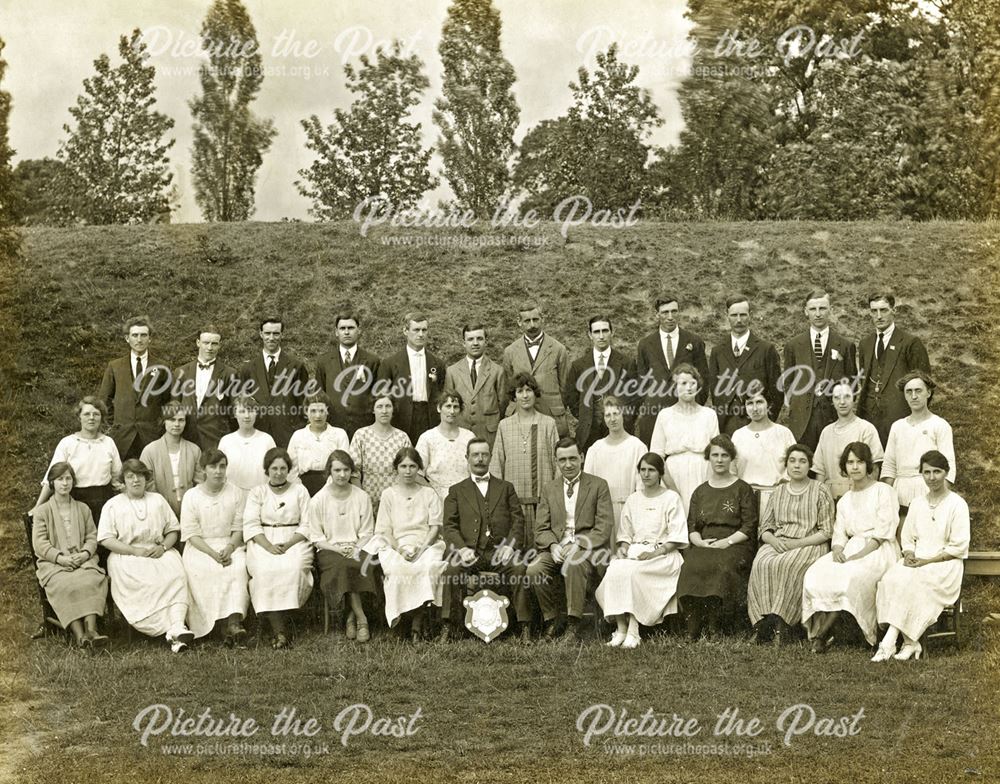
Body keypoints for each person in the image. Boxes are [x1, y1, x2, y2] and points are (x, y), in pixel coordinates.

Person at [802, 442, 900, 652]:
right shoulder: (845, 499)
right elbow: (839, 531)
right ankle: (822, 631)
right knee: (816, 572)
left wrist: (860, 555)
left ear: (868, 465)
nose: (855, 467)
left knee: (850, 577)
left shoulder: (883, 491)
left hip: (879, 549)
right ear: (844, 467)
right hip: (851, 547)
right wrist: (838, 549)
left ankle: (822, 635)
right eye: (850, 462)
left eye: (860, 462)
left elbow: (884, 531)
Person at [872, 451, 969, 662]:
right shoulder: (917, 503)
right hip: (918, 560)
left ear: (946, 473)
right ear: (921, 474)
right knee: (891, 578)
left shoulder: (957, 504)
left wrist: (928, 561)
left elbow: (959, 546)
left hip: (946, 565)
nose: (932, 477)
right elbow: (907, 538)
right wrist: (908, 554)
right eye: (927, 472)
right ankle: (910, 642)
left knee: (915, 581)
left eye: (937, 472)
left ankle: (889, 642)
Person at [97, 459, 194, 652]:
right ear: (123, 481)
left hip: (157, 551)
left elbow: (173, 530)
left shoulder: (157, 500)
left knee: (176, 574)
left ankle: (176, 625)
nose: (135, 480)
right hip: (126, 555)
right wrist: (134, 551)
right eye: (130, 477)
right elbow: (106, 539)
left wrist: (164, 548)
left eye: (140, 475)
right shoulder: (113, 505)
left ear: (146, 478)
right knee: (146, 581)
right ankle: (169, 630)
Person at [441, 439, 531, 641]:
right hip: (469, 552)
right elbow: (449, 526)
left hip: (499, 553)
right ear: (467, 458)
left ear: (490, 457)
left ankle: (524, 626)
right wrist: (462, 549)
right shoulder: (456, 491)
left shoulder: (506, 487)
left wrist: (510, 546)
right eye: (475, 455)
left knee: (518, 568)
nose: (480, 459)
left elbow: (518, 521)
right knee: (451, 571)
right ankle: (449, 625)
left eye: (484, 454)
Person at [595, 453, 687, 649]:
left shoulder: (671, 498)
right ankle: (620, 628)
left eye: (651, 470)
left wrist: (653, 554)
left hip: (663, 555)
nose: (646, 474)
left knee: (634, 573)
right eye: (643, 470)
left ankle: (634, 630)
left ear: (660, 473)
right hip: (635, 552)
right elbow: (625, 535)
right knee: (614, 568)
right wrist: (623, 549)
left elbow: (676, 537)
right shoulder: (633, 499)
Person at [746, 444, 835, 644]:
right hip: (779, 541)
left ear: (809, 465)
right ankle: (762, 624)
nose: (797, 466)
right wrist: (773, 540)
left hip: (810, 543)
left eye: (802, 461)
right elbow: (765, 527)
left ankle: (782, 626)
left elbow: (826, 531)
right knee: (761, 563)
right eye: (792, 461)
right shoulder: (778, 492)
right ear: (786, 465)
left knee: (787, 565)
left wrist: (798, 544)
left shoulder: (820, 490)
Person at [526, 438, 613, 641]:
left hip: (589, 551)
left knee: (574, 563)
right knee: (534, 569)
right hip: (557, 548)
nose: (568, 464)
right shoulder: (549, 489)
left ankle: (574, 625)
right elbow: (540, 528)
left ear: (582, 458)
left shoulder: (598, 485)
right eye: (562, 460)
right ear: (556, 462)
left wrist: (579, 544)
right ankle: (553, 620)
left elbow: (603, 527)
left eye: (573, 458)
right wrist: (553, 545)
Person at [677, 435, 758, 638]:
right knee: (691, 566)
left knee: (721, 566)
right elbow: (692, 525)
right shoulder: (700, 491)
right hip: (705, 542)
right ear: (708, 458)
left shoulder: (742, 489)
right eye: (715, 455)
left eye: (724, 455)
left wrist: (726, 542)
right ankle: (692, 626)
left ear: (731, 459)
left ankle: (715, 625)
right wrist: (701, 543)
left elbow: (749, 525)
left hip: (736, 543)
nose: (719, 460)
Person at [32, 462, 109, 648]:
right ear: (52, 483)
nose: (65, 483)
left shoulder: (83, 508)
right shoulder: (42, 512)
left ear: (73, 482)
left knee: (91, 579)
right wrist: (60, 558)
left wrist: (84, 554)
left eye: (68, 478)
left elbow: (92, 536)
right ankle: (80, 635)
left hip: (83, 560)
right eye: (60, 479)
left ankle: (92, 630)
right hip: (55, 564)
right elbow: (40, 543)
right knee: (67, 584)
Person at [242, 447, 314, 649]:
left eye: (283, 468)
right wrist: (268, 546)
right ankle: (280, 629)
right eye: (274, 468)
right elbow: (251, 524)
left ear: (289, 469)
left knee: (294, 568)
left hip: (295, 539)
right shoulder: (258, 492)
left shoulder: (300, 491)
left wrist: (289, 543)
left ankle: (286, 621)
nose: (279, 472)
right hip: (264, 540)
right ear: (267, 470)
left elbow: (308, 523)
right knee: (265, 570)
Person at [372, 448, 447, 638]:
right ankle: (401, 621)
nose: (408, 471)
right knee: (399, 570)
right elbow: (384, 529)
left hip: (426, 544)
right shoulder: (388, 494)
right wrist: (400, 550)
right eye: (403, 466)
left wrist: (422, 549)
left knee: (427, 567)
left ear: (419, 468)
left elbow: (434, 527)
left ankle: (417, 623)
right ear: (396, 468)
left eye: (412, 466)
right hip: (396, 544)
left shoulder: (429, 494)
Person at [179, 449, 249, 644]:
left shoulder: (235, 492)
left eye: (222, 466)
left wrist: (229, 548)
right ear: (203, 470)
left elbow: (239, 527)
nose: (218, 471)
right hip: (201, 547)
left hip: (230, 544)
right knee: (207, 570)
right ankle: (216, 624)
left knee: (237, 568)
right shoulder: (192, 496)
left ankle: (234, 622)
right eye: (213, 467)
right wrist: (212, 553)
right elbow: (191, 534)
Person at [307, 450, 377, 643]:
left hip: (358, 546)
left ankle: (350, 617)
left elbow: (367, 531)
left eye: (346, 470)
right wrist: (338, 549)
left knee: (363, 564)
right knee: (342, 565)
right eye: (337, 470)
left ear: (351, 471)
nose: (342, 474)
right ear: (329, 471)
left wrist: (355, 547)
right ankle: (362, 618)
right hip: (330, 549)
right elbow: (316, 537)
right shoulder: (318, 500)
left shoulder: (361, 497)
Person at [781, 290, 858, 451]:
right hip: (802, 422)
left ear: (830, 309)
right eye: (813, 309)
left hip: (833, 418)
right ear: (805, 311)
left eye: (822, 308)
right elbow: (788, 383)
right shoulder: (793, 346)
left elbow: (852, 384)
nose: (818, 314)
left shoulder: (845, 345)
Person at [489, 373, 559, 548]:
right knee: (516, 554)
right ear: (514, 395)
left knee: (542, 553)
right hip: (514, 505)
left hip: (543, 504)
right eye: (520, 391)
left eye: (529, 390)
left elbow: (557, 464)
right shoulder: (504, 426)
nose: (525, 395)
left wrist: (555, 499)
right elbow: (497, 465)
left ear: (535, 393)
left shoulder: (548, 424)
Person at [633, 295, 710, 446]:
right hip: (654, 415)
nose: (670, 317)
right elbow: (641, 381)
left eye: (674, 312)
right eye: (665, 312)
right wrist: (650, 404)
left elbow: (703, 380)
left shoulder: (694, 341)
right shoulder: (645, 344)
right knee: (655, 460)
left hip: (686, 413)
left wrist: (692, 405)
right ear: (657, 315)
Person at [858, 292, 932, 446]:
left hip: (900, 420)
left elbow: (925, 386)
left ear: (894, 311)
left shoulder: (910, 343)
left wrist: (914, 419)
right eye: (874, 311)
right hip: (870, 420)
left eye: (883, 310)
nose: (878, 316)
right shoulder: (865, 344)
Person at [35, 396, 122, 526]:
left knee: (103, 542)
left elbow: (117, 479)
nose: (91, 418)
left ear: (101, 418)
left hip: (104, 502)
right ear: (79, 417)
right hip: (74, 501)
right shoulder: (67, 443)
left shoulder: (108, 443)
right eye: (86, 414)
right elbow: (51, 477)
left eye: (96, 414)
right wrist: (38, 506)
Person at [707, 295, 783, 435]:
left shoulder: (766, 349)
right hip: (727, 423)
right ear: (727, 316)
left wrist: (767, 419)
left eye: (743, 315)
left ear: (750, 315)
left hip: (757, 422)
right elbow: (715, 391)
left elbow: (777, 392)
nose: (739, 320)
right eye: (734, 315)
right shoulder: (718, 351)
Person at [98, 316, 172, 460]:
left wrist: (159, 426)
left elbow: (168, 402)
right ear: (127, 338)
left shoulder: (162, 367)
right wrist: (116, 424)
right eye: (135, 335)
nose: (139, 340)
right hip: (122, 437)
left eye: (143, 335)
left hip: (151, 436)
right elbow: (103, 400)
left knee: (151, 477)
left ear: (150, 338)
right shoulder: (115, 366)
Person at [649, 364, 720, 513]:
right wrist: (672, 489)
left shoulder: (709, 414)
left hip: (703, 473)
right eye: (683, 383)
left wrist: (709, 486)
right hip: (673, 474)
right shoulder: (665, 415)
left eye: (692, 383)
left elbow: (716, 452)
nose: (689, 388)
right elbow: (656, 456)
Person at [881, 371, 956, 511]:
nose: (914, 396)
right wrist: (887, 499)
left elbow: (949, 466)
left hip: (928, 488)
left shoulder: (940, 425)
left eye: (918, 391)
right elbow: (889, 466)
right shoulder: (897, 426)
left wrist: (940, 499)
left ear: (928, 393)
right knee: (901, 532)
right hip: (900, 490)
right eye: (909, 392)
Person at [237, 317, 310, 448]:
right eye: (267, 333)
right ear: (261, 334)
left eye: (276, 333)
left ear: (282, 334)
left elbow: (303, 406)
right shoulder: (248, 369)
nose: (271, 338)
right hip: (258, 435)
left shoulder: (296, 367)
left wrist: (296, 432)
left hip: (287, 436)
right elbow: (243, 404)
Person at [502, 301, 571, 438]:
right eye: (527, 321)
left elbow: (566, 388)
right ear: (519, 322)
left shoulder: (558, 349)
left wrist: (553, 406)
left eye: (535, 320)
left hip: (552, 417)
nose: (532, 325)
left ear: (543, 319)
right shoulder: (510, 351)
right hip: (521, 416)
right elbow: (508, 388)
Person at [582, 395, 647, 541]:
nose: (613, 419)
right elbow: (587, 487)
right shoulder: (595, 449)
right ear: (603, 419)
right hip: (602, 514)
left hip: (630, 512)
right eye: (608, 415)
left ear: (623, 414)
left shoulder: (637, 447)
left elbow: (642, 486)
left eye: (616, 413)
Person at [565, 316, 633, 451]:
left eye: (605, 331)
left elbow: (634, 398)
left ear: (612, 332)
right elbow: (572, 398)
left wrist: (622, 418)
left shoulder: (627, 363)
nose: (601, 336)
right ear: (590, 335)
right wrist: (587, 415)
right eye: (596, 332)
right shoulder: (578, 366)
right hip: (589, 432)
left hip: (619, 429)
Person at [375, 312, 445, 443]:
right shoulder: (390, 363)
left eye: (424, 330)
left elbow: (440, 391)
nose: (420, 334)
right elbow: (382, 395)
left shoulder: (438, 363)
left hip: (429, 418)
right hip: (402, 418)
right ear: (405, 331)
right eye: (416, 330)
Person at [313, 311, 380, 439]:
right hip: (333, 427)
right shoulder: (324, 361)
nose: (347, 332)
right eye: (342, 328)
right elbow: (319, 395)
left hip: (363, 428)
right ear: (336, 332)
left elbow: (376, 395)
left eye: (351, 328)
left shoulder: (372, 361)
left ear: (359, 330)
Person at [170, 325, 237, 453]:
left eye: (214, 343)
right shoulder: (181, 372)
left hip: (215, 439)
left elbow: (233, 412)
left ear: (219, 345)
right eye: (206, 343)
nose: (210, 348)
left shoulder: (229, 374)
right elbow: (174, 407)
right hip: (187, 437)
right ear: (198, 343)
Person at [813, 381, 884, 501]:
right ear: (832, 401)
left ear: (854, 398)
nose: (842, 402)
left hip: (859, 493)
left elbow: (874, 468)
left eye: (847, 397)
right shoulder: (826, 432)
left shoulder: (866, 428)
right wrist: (822, 499)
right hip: (830, 495)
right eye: (837, 398)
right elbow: (820, 471)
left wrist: (866, 495)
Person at [731, 389, 796, 514]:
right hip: (746, 499)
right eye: (750, 403)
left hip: (777, 498)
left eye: (759, 402)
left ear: (768, 404)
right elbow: (732, 472)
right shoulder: (738, 435)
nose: (755, 408)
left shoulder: (783, 433)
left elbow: (793, 466)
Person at [443, 323, 508, 448]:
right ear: (464, 343)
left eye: (479, 338)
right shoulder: (452, 371)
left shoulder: (497, 371)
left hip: (488, 436)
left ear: (486, 341)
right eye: (470, 339)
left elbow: (502, 404)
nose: (475, 343)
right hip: (460, 434)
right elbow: (448, 405)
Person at [139, 400, 205, 518]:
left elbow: (200, 484)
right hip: (158, 511)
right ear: (164, 421)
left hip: (191, 510)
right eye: (172, 419)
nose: (176, 424)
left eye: (181, 420)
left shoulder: (194, 450)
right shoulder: (149, 451)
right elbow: (147, 485)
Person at [349, 395, 412, 513]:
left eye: (388, 406)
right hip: (368, 494)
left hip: (396, 495)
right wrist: (362, 498)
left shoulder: (401, 437)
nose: (384, 411)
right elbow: (354, 471)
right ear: (373, 410)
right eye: (379, 406)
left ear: (393, 409)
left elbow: (410, 468)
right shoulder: (361, 435)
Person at [415, 392, 476, 500]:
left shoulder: (469, 437)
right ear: (439, 408)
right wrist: (433, 495)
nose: (452, 411)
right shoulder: (427, 438)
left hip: (466, 498)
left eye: (456, 407)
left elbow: (476, 472)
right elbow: (417, 474)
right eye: (448, 406)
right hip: (436, 499)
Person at [287, 393, 350, 496]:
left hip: (333, 486)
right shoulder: (298, 436)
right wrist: (300, 490)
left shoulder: (339, 434)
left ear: (327, 411)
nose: (318, 415)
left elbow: (343, 465)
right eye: (313, 411)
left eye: (322, 411)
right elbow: (290, 469)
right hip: (303, 487)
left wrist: (328, 489)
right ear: (306, 412)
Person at [217, 396, 276, 492]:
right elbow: (220, 472)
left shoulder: (267, 440)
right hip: (233, 496)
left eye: (251, 411)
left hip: (261, 496)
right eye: (242, 411)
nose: (247, 416)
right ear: (235, 414)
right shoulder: (226, 441)